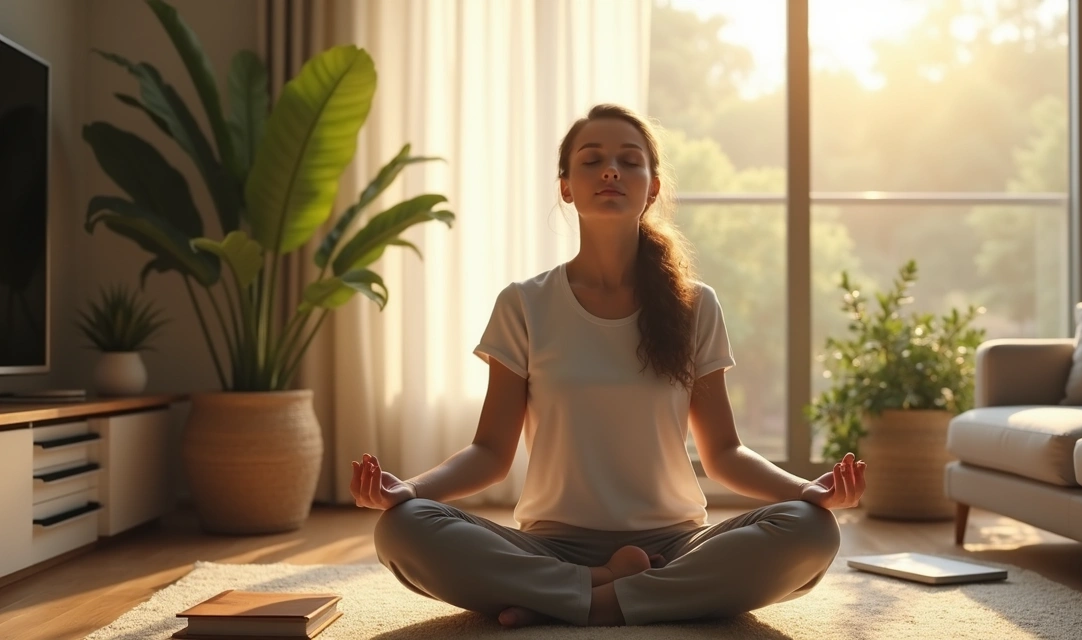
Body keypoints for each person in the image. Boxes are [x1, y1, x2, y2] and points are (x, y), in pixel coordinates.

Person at [350, 103, 867, 628]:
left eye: (629, 161)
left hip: (676, 544)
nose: (611, 171)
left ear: (653, 187)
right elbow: (490, 453)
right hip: (551, 546)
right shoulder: (524, 304)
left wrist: (807, 491)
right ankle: (621, 592)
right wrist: (410, 491)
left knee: (813, 530)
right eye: (592, 160)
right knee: (401, 528)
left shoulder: (695, 305)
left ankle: (579, 601)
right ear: (566, 187)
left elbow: (725, 453)